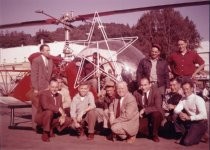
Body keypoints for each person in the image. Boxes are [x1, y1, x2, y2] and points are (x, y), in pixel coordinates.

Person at [174, 80, 208, 146]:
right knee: (175, 115)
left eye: (187, 89)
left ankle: (202, 134)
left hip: (201, 122)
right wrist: (180, 114)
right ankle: (185, 134)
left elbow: (203, 115)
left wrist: (189, 117)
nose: (185, 91)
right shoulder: (183, 99)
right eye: (184, 89)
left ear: (192, 89)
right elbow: (176, 109)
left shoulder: (198, 99)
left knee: (186, 142)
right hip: (191, 122)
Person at [30, 44, 54, 130]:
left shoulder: (50, 61)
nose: (49, 52)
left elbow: (50, 75)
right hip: (39, 87)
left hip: (47, 87)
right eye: (47, 50)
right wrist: (35, 88)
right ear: (41, 51)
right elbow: (33, 75)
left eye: (49, 50)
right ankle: (34, 126)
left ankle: (43, 125)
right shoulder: (36, 60)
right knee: (36, 106)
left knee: (45, 106)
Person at [133, 77, 163, 142]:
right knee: (138, 131)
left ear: (150, 85)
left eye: (145, 85)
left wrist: (144, 110)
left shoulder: (156, 92)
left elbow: (158, 107)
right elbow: (134, 106)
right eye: (141, 85)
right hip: (144, 116)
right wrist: (137, 112)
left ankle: (155, 134)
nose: (143, 87)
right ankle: (149, 130)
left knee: (156, 114)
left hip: (154, 113)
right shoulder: (136, 93)